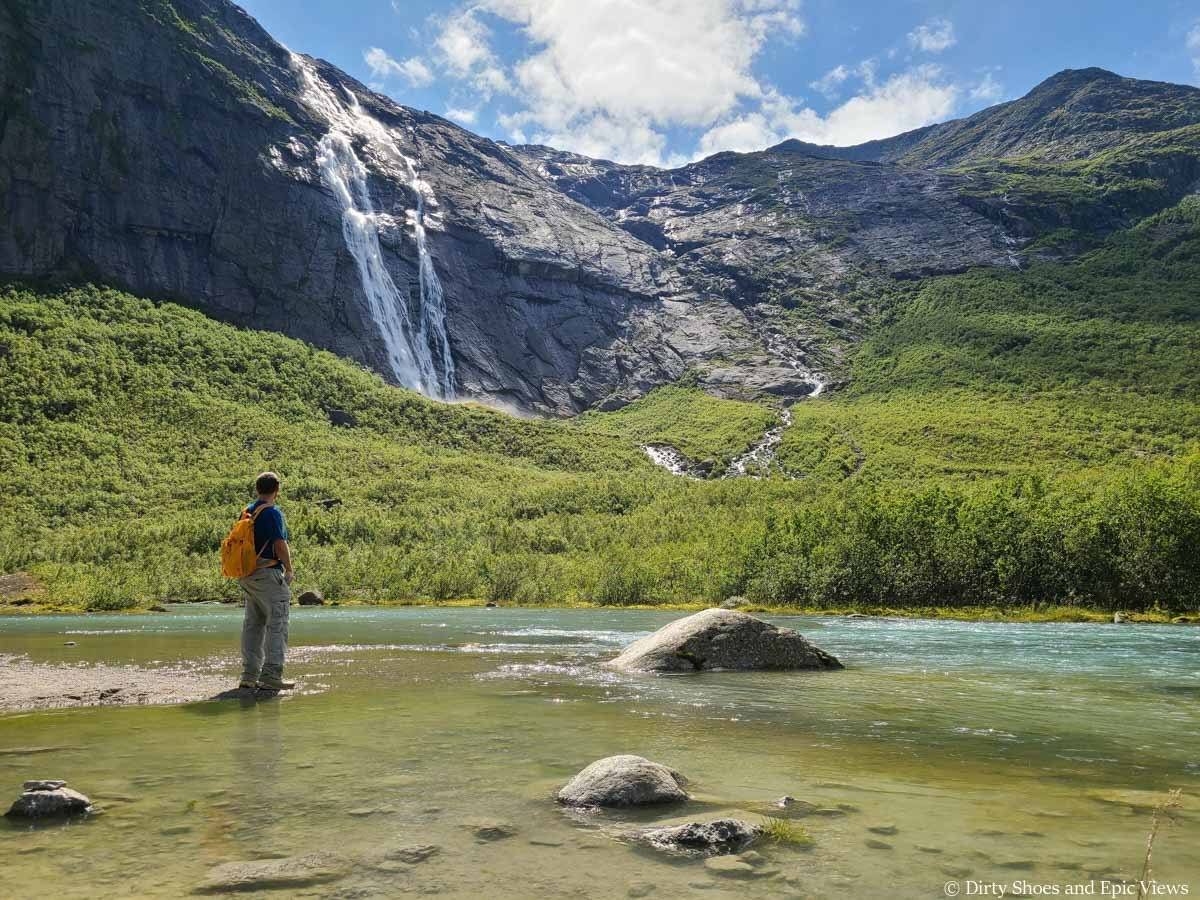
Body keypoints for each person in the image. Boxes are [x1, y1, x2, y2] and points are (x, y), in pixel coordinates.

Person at [238, 471, 295, 691]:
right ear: (277, 490)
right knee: (277, 624)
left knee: (253, 625)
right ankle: (271, 675)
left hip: (248, 575)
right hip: (268, 575)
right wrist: (289, 569)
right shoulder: (271, 512)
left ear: (257, 489)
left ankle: (249, 675)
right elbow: (280, 544)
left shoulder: (247, 512)